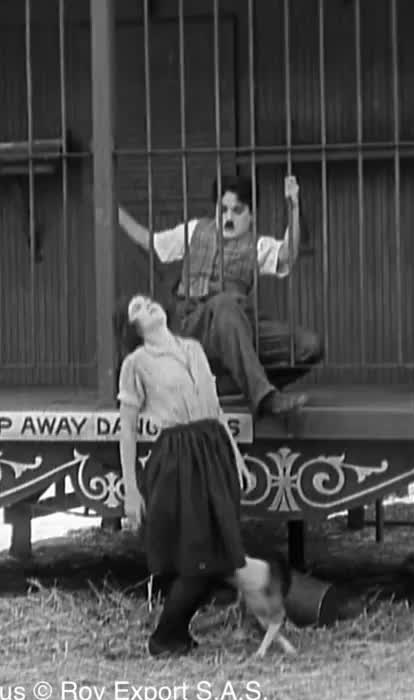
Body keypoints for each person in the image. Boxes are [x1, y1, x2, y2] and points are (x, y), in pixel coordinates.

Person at [116, 174, 323, 416]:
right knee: (225, 302)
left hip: (235, 326)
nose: (228, 217)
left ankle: (230, 386)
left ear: (252, 215)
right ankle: (264, 397)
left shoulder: (258, 245)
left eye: (237, 211)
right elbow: (150, 241)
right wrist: (114, 211)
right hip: (193, 323)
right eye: (223, 210)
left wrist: (294, 207)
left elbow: (289, 253)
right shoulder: (194, 230)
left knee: (309, 346)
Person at [115, 292, 251, 657]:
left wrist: (236, 458)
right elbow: (126, 428)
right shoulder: (137, 363)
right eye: (137, 308)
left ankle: (177, 635)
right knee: (197, 556)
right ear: (134, 328)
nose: (148, 305)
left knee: (220, 552)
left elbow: (217, 408)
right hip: (177, 458)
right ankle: (164, 638)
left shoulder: (193, 348)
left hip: (213, 447)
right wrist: (131, 490)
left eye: (147, 301)